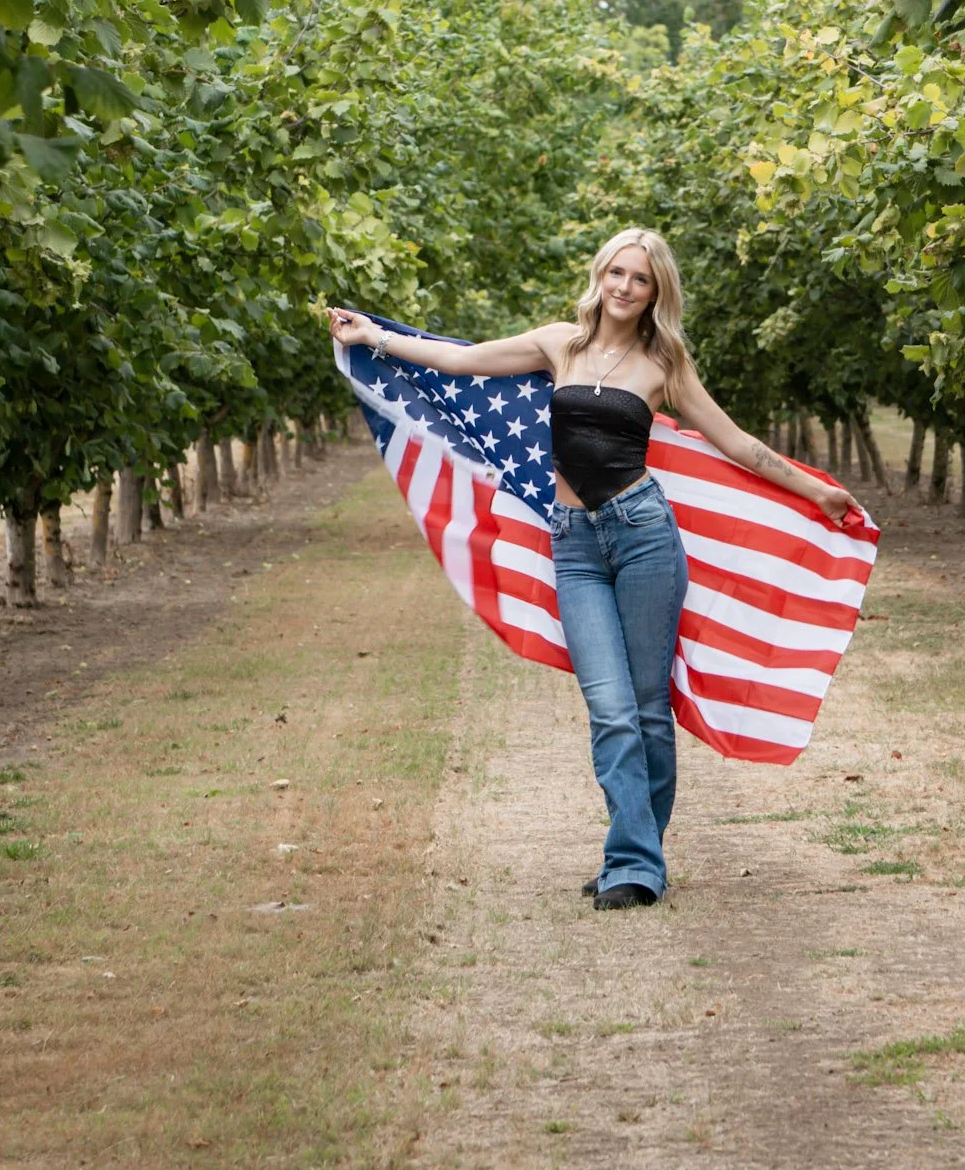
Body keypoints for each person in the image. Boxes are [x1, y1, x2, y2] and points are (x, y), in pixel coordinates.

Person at [328, 227, 857, 911]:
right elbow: (460, 362)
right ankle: (635, 857)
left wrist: (814, 490)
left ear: (654, 292)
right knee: (609, 709)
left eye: (639, 279)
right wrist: (373, 336)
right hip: (573, 544)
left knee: (646, 710)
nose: (624, 288)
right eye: (616, 272)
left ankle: (632, 860)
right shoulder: (559, 344)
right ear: (599, 275)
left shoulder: (663, 364)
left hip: (642, 537)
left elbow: (735, 442)